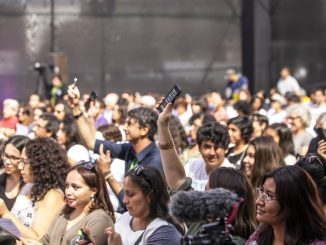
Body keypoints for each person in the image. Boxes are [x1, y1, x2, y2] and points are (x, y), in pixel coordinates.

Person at [21, 160, 115, 245]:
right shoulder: (65, 211)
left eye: (75, 187)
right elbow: (46, 240)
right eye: (67, 186)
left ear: (93, 191)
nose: (68, 192)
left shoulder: (99, 220)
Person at [0, 138, 70, 240]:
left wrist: (5, 213)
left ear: (40, 164)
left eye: (24, 162)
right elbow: (14, 228)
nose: (20, 167)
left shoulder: (52, 196)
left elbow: (38, 239)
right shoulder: (29, 186)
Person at [246, 166, 326, 244]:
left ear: (293, 202)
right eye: (261, 191)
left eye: (269, 196)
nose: (258, 201)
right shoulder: (259, 235)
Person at [105, 165, 184, 245]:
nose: (124, 200)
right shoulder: (125, 217)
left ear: (150, 196)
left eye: (130, 194)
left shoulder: (164, 233)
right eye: (125, 193)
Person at [0, 135, 30, 210]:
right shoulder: (1, 178)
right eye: (6, 156)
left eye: (13, 158)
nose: (7, 162)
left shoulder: (30, 186)